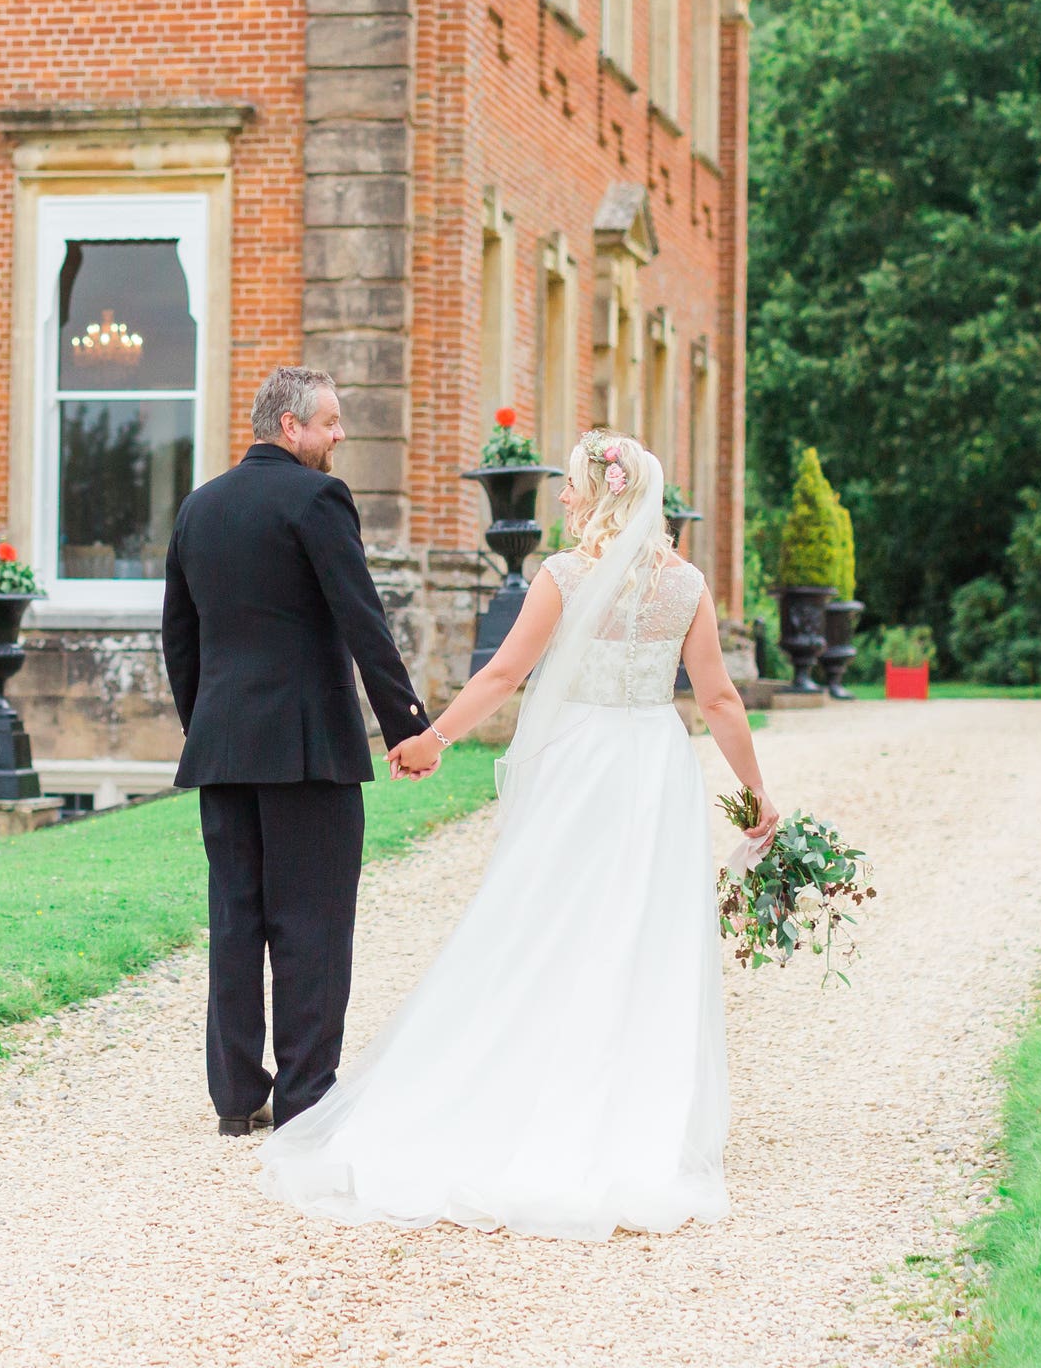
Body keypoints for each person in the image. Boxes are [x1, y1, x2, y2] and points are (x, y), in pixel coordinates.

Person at [255, 427, 782, 1239]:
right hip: (653, 764)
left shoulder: (564, 576)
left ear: (599, 494)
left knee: (550, 920)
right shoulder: (686, 586)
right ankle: (634, 1108)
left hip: (583, 763)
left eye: (571, 484)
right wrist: (756, 792)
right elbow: (718, 700)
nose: (562, 496)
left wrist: (433, 738)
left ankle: (539, 1086)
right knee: (644, 930)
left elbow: (505, 673)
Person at [163, 366, 436, 1137]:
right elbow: (361, 618)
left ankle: (234, 1098)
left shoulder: (198, 507)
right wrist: (407, 726)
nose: (340, 434)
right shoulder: (318, 499)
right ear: (291, 426)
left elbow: (179, 637)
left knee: (236, 920)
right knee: (311, 924)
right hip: (308, 750)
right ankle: (306, 1097)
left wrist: (208, 727)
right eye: (330, 422)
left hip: (224, 750)